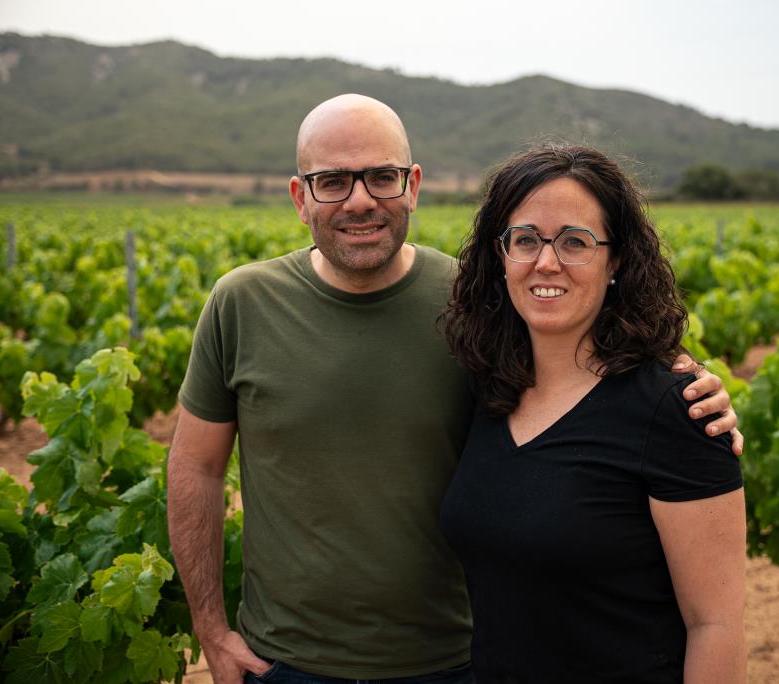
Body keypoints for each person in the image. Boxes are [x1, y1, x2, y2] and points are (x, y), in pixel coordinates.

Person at [167, 95, 742, 684]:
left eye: (382, 177)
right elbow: (195, 467)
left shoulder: (472, 305)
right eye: (332, 181)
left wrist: (681, 379)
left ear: (411, 185)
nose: (360, 199)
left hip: (456, 665)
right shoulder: (241, 303)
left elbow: (582, 348)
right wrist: (210, 629)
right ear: (300, 196)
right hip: (284, 665)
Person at [440, 145, 747, 683]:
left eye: (575, 242)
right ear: (501, 255)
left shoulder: (675, 410)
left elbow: (715, 627)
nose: (546, 262)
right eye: (525, 240)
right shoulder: (488, 391)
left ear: (617, 260)